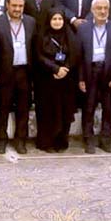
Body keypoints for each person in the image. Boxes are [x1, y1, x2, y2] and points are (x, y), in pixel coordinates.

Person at [0, 0, 35, 154]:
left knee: (23, 108)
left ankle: (20, 140)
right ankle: (1, 139)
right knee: (3, 107)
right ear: (7, 5)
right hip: (4, 72)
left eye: (20, 6)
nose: (17, 9)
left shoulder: (31, 22)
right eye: (14, 6)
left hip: (24, 71)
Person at [77, 0, 111, 153]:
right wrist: (81, 78)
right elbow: (80, 56)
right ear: (92, 10)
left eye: (105, 8)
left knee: (108, 108)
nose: (102, 11)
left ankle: (106, 139)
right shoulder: (83, 28)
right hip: (90, 72)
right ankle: (89, 139)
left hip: (108, 74)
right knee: (88, 107)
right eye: (99, 8)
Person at [34, 9, 79, 152]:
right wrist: (54, 69)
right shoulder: (41, 36)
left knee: (64, 112)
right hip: (47, 81)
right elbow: (39, 56)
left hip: (66, 81)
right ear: (49, 21)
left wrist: (64, 69)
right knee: (47, 113)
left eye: (60, 19)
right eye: (54, 19)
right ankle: (46, 143)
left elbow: (75, 54)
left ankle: (61, 142)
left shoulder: (70, 35)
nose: (57, 22)